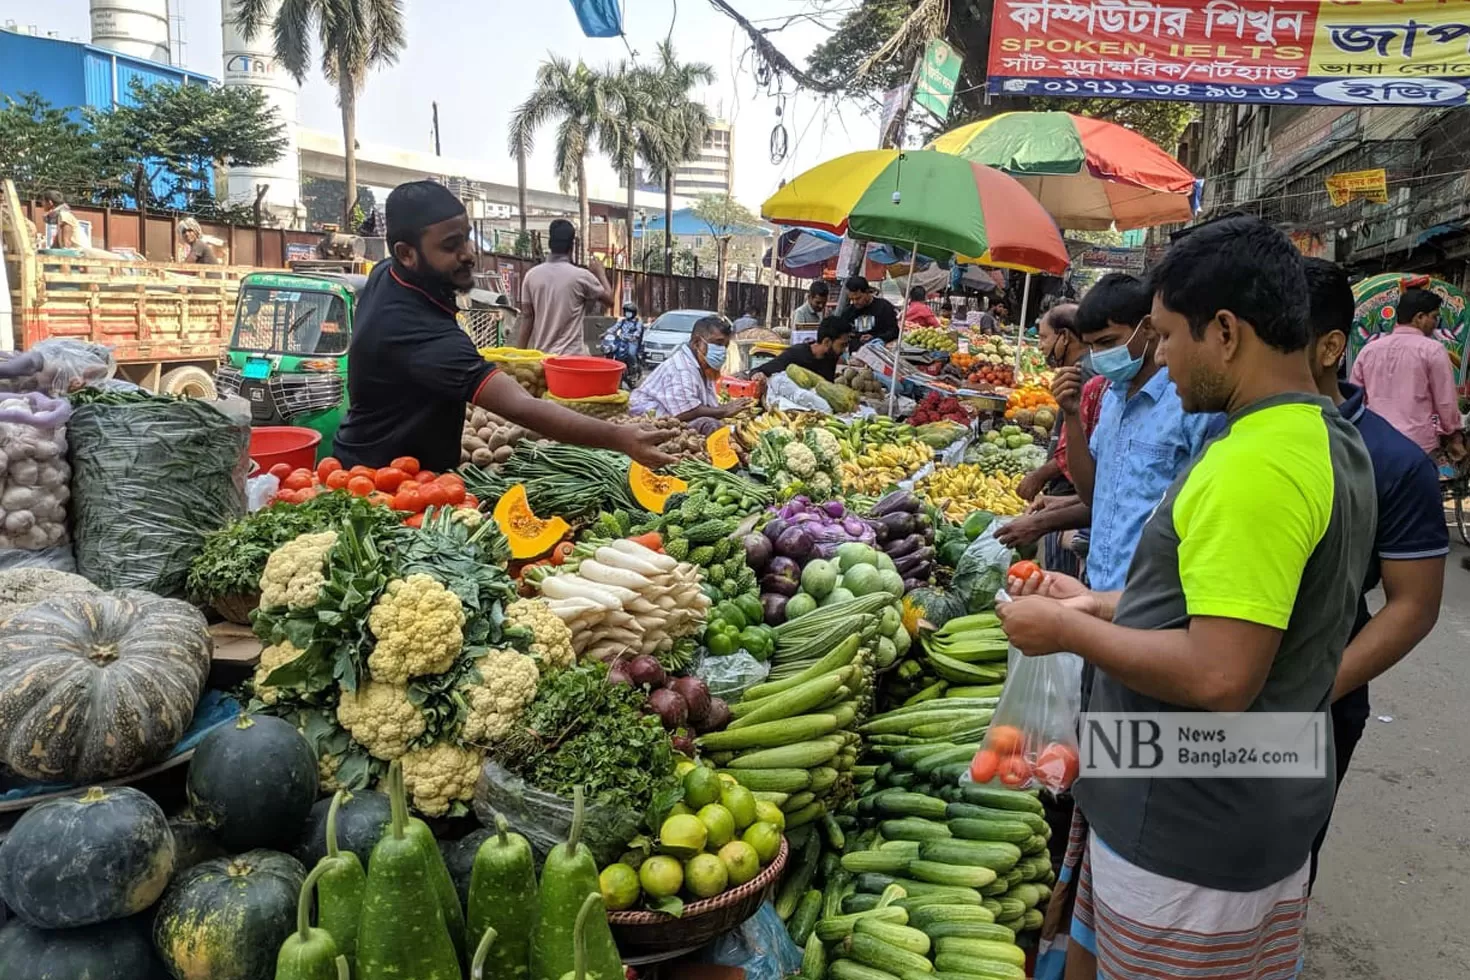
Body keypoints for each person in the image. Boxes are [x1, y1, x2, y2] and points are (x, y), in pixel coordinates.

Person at [1002, 216, 1374, 980]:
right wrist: (1102, 606)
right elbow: (1238, 609)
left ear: (1227, 332)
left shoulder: (1256, 470)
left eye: (1168, 336)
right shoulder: (1321, 435)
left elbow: (1219, 673)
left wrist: (1065, 634)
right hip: (1225, 789)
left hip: (1192, 823)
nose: (1158, 358)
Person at [333, 181, 672, 473]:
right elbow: (523, 407)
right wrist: (618, 438)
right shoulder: (422, 334)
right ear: (406, 253)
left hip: (373, 458)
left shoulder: (386, 273)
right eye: (450, 246)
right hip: (386, 480)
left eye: (466, 239)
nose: (468, 254)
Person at [1302, 258, 1446, 888]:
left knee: (1278, 868)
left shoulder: (1393, 465)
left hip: (1314, 692)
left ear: (1330, 347)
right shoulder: (1216, 427)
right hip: (1200, 682)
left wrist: (1309, 694)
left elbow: (1412, 604)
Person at [1061, 272, 1221, 593]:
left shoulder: (1187, 405)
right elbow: (1093, 494)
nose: (1101, 357)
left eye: (1108, 342)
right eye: (1092, 347)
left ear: (1148, 328)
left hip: (1153, 600)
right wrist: (1071, 415)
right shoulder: (1111, 398)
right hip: (1101, 581)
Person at [1349, 283, 1466, 461]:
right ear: (1419, 317)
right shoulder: (1432, 350)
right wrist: (1453, 435)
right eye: (1434, 317)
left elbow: (1354, 399)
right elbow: (1445, 403)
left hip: (1375, 444)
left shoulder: (1369, 351)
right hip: (1418, 446)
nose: (1435, 324)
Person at [629, 315, 752, 434]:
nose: (722, 351)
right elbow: (685, 412)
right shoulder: (681, 369)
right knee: (709, 424)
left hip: (671, 420)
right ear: (696, 343)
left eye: (725, 346)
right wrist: (723, 410)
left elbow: (704, 404)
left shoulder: (703, 366)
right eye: (718, 343)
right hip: (646, 422)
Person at [515, 219, 614, 355]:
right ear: (572, 246)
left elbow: (527, 317)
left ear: (550, 243)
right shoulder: (581, 276)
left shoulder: (531, 276)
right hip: (572, 361)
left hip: (544, 361)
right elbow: (610, 300)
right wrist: (600, 273)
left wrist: (518, 356)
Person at [750, 316, 852, 383]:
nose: (844, 350)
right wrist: (757, 375)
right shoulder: (796, 354)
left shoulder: (830, 358)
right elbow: (758, 370)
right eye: (842, 345)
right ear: (827, 342)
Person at [839, 275, 899, 344]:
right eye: (852, 299)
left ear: (867, 292)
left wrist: (876, 337)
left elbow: (894, 331)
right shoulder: (848, 313)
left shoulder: (884, 307)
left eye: (858, 298)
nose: (855, 302)